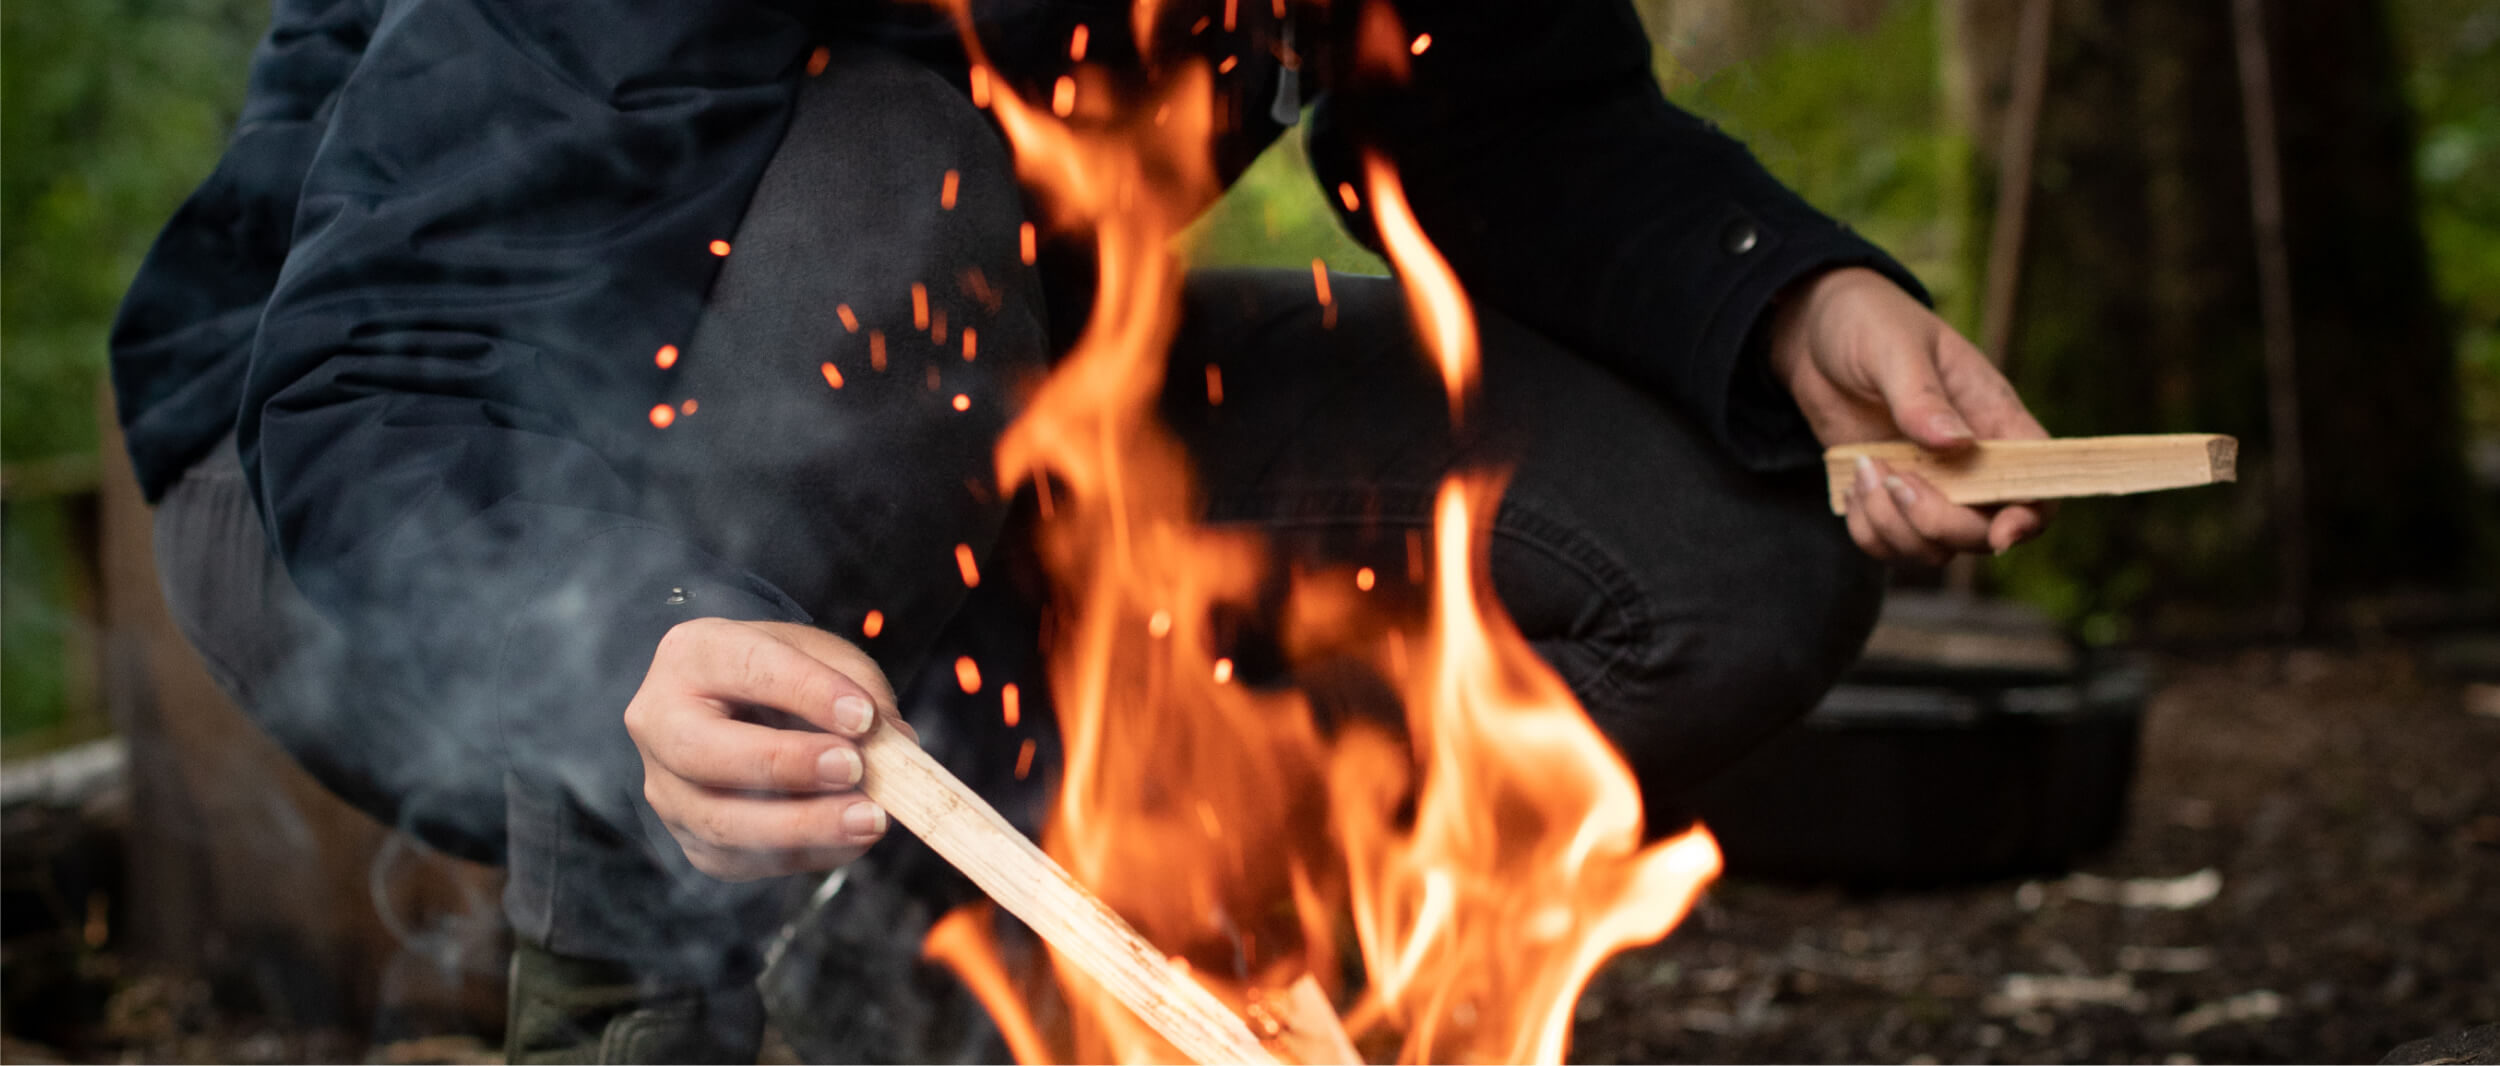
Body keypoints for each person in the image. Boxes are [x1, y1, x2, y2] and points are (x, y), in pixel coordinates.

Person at [112, 0, 2049, 1060]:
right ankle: (640, 1011)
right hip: (390, 485)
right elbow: (384, 365)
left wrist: (1783, 302)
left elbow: (1519, 122)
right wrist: (623, 649)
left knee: (1718, 555)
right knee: (892, 181)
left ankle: (1115, 986)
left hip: (986, 412)